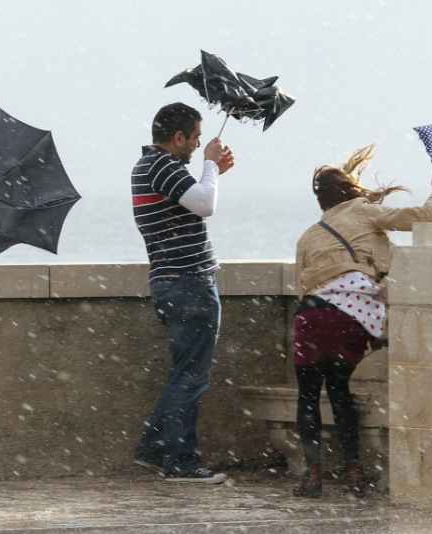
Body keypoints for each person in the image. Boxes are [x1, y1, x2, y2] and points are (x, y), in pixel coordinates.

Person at [292, 144, 432, 498]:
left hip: (311, 316)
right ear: (351, 191)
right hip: (348, 316)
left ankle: (313, 475)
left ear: (322, 202)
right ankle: (353, 474)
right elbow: (423, 217)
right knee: (339, 393)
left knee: (307, 397)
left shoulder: (310, 234)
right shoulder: (364, 211)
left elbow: (301, 285)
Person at [131, 102, 235, 484]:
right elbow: (206, 205)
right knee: (192, 376)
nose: (198, 143)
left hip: (172, 282)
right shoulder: (162, 166)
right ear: (178, 137)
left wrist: (213, 171)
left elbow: (196, 199)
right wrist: (210, 165)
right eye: (195, 137)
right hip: (188, 282)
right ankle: (181, 462)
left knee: (184, 373)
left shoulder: (151, 167)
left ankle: (155, 449)